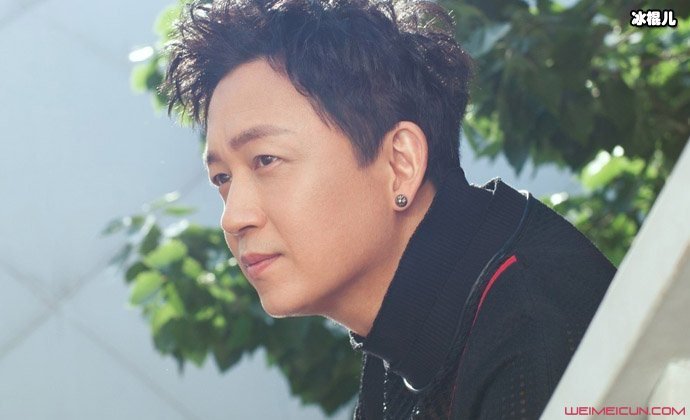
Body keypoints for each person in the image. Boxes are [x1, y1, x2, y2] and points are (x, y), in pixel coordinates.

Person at [162, 0, 616, 418]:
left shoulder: (535, 328)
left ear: (400, 164)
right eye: (222, 179)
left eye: (265, 160)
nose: (233, 217)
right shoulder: (406, 334)